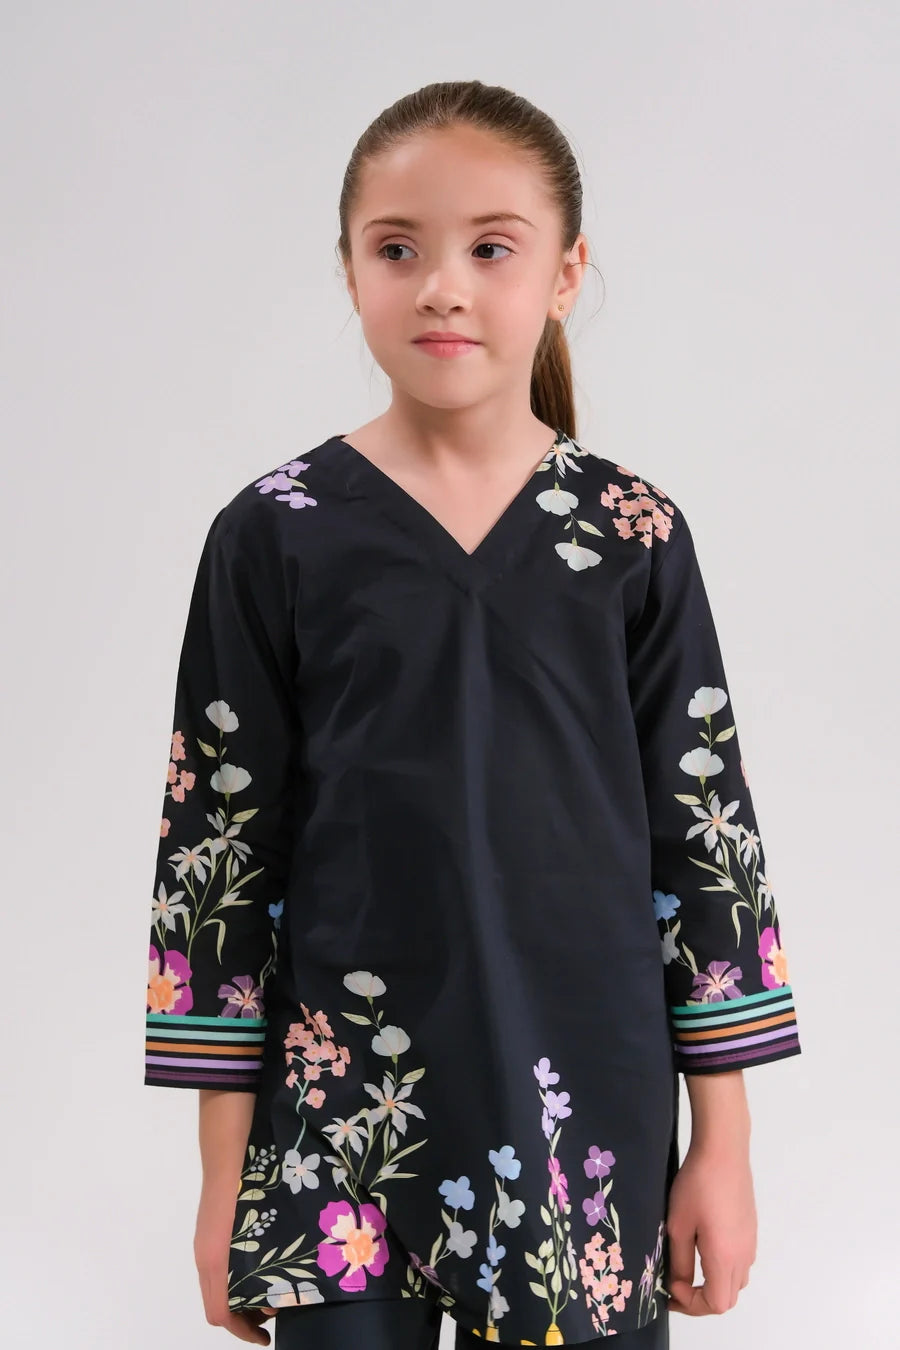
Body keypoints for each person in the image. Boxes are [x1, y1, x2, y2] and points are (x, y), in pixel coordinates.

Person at [143, 80, 802, 1349]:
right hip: (340, 1120)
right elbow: (216, 861)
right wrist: (226, 1181)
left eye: (491, 248)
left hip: (580, 1110)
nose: (442, 287)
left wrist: (723, 1144)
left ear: (566, 273)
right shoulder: (274, 534)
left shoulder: (632, 534)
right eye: (398, 249)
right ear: (349, 269)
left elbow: (707, 843)